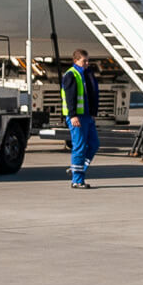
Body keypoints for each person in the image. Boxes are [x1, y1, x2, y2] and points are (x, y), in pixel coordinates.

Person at [62, 49, 99, 188]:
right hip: (77, 117)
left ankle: (76, 169)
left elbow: (92, 94)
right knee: (80, 147)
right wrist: (73, 115)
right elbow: (70, 97)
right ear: (76, 60)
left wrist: (93, 113)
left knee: (94, 144)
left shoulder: (86, 73)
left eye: (88, 60)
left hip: (87, 116)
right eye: (84, 61)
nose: (87, 63)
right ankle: (77, 180)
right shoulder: (71, 75)